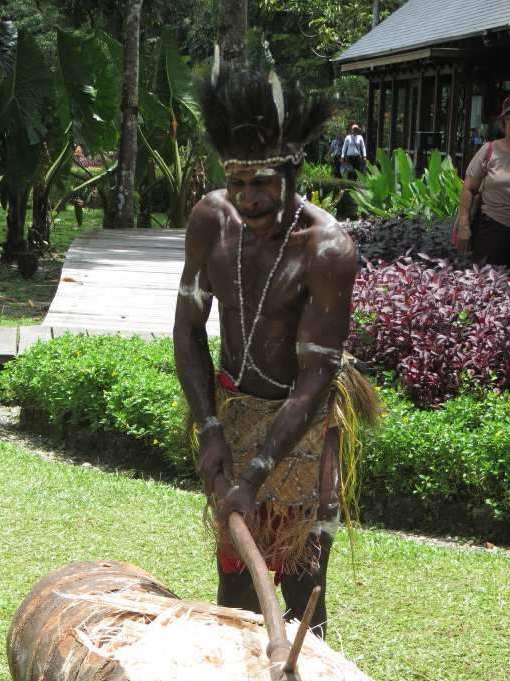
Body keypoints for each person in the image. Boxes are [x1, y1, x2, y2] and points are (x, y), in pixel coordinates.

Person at [173, 68, 379, 636]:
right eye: (237, 183)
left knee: (303, 586)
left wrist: (260, 467)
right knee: (235, 585)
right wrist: (210, 426)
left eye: (262, 182)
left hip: (303, 420)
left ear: (293, 175)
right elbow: (188, 327)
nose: (248, 199)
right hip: (235, 409)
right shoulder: (211, 222)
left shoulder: (327, 248)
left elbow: (317, 375)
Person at [456, 93, 510, 270]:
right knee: (486, 287)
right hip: (491, 231)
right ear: (503, 122)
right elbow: (469, 188)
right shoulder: (489, 150)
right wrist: (464, 226)